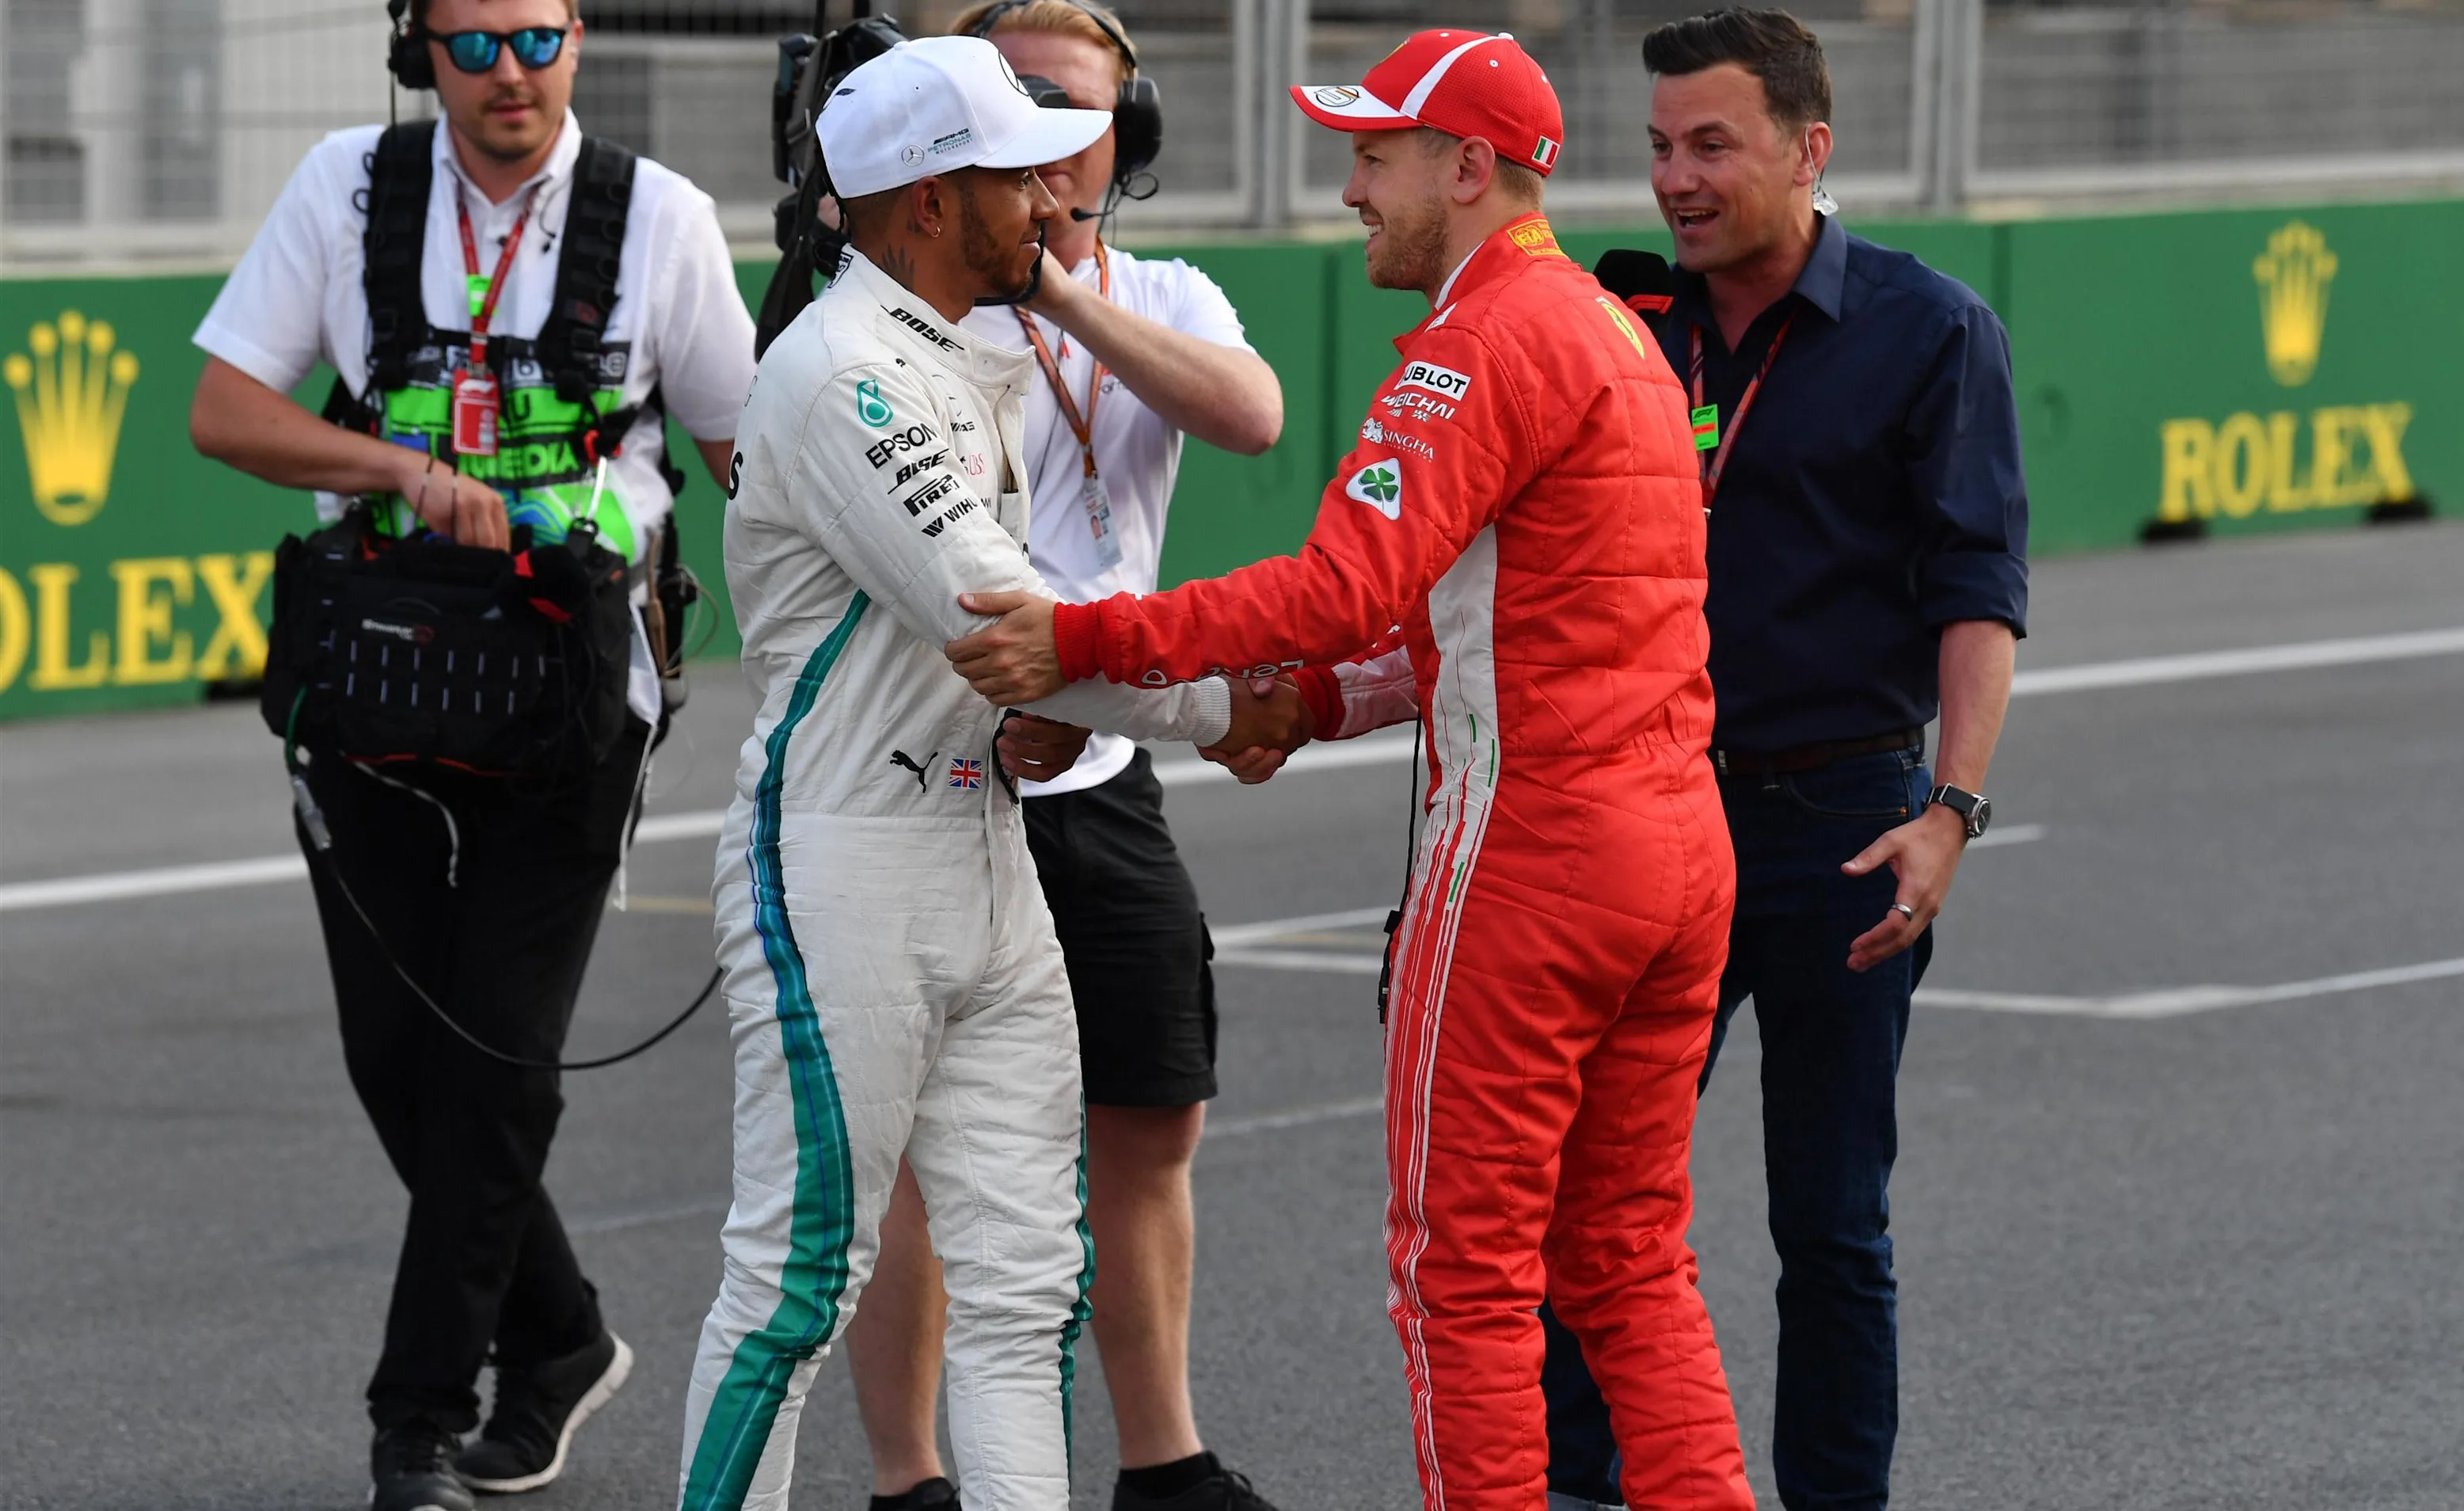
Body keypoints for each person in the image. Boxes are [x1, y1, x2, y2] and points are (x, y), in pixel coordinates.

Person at [941, 29, 1756, 1511]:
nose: (1349, 193)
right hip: (1678, 851)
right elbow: (1484, 628)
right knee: (1632, 1260)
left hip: (1536, 856)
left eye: (1374, 159)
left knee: (1465, 1281)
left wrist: (1085, 634)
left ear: (1468, 169)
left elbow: (1338, 585)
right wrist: (1294, 709)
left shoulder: (1481, 342)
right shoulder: (1618, 333)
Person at [676, 36, 1301, 1511]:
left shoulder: (967, 353)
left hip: (985, 853)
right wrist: (1231, 709)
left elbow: (1023, 657)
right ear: (924, 204)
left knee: (1027, 1287)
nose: (1053, 196)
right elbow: (1001, 624)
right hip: (842, 866)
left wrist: (1101, 709)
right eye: (1018, 172)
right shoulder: (845, 374)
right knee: (796, 1280)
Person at [184, 0, 755, 1501]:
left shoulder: (664, 219)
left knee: (496, 1058)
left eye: (539, 37)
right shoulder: (344, 187)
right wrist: (404, 472)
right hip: (371, 685)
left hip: (574, 700)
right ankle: (558, 1333)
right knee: (397, 1058)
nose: (511, 74)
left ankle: (416, 1422)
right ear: (417, 52)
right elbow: (223, 409)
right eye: (474, 44)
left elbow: (746, 447)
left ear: (579, 40)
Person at [1537, 11, 2029, 1510]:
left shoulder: (1928, 327)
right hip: (1646, 811)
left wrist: (1951, 809)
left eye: (1712, 146)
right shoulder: (1622, 318)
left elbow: (1978, 587)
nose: (1676, 180)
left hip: (1845, 826)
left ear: (1810, 151)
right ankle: (1585, 1484)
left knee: (1830, 1221)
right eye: (1659, 147)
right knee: (1595, 1208)